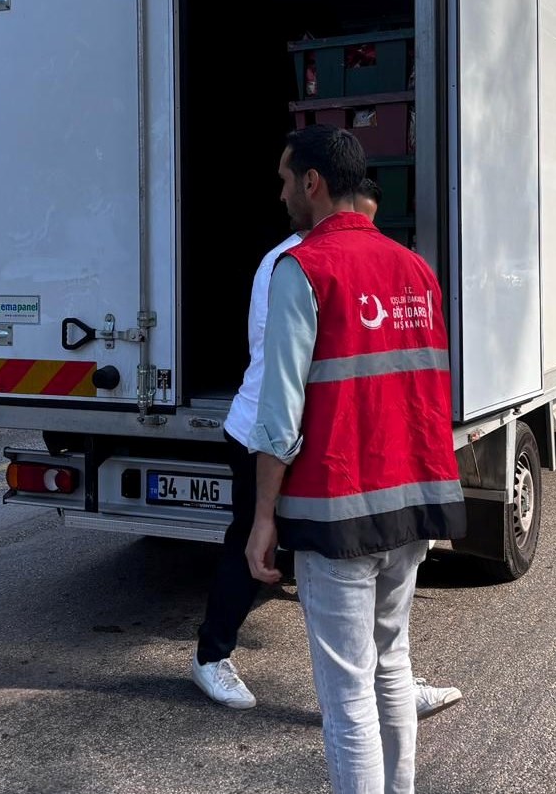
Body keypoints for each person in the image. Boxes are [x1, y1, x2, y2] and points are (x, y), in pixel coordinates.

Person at [246, 126, 466, 794]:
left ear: (313, 183)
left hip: (336, 507)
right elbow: (426, 391)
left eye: (287, 179)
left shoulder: (303, 267)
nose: (282, 192)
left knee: (346, 699)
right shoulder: (415, 269)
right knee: (392, 665)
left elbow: (280, 417)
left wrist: (263, 517)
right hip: (410, 501)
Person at [192, 181, 463, 721]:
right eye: (363, 217)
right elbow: (284, 379)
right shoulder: (292, 266)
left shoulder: (366, 264)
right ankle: (211, 656)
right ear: (338, 202)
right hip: (265, 433)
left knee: (366, 569)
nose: (369, 231)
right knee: (253, 548)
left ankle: (392, 679)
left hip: (315, 436)